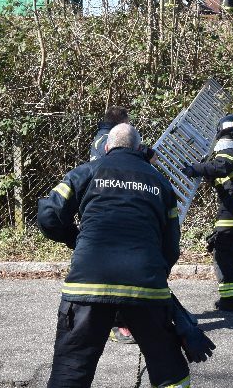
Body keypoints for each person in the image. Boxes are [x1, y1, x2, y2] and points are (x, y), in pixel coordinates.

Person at [38, 123, 213, 388]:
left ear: (106, 147)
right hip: (146, 285)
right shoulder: (160, 183)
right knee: (170, 370)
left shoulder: (86, 172)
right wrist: (155, 273)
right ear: (137, 148)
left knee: (71, 370)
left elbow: (49, 216)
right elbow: (171, 244)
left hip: (89, 281)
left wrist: (77, 240)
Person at [89, 106, 156, 344]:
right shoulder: (107, 141)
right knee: (117, 270)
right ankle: (118, 323)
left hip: (106, 209)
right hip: (111, 209)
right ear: (122, 123)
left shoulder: (100, 139)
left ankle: (125, 319)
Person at [181, 114, 233, 312]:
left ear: (221, 131)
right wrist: (206, 170)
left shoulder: (227, 148)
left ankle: (230, 300)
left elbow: (221, 167)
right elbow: (223, 176)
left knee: (222, 253)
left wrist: (194, 169)